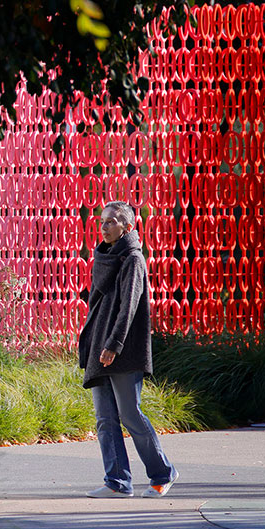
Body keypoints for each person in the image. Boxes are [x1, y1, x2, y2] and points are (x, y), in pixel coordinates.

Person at [79, 201, 177, 498]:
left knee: (129, 414)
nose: (104, 226)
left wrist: (114, 344)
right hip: (100, 346)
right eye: (102, 221)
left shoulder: (133, 259)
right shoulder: (104, 257)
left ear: (128, 227)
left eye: (111, 222)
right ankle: (117, 482)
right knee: (105, 419)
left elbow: (129, 307)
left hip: (122, 349)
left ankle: (162, 473)